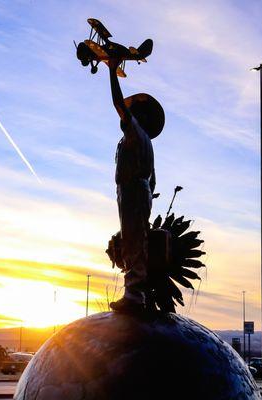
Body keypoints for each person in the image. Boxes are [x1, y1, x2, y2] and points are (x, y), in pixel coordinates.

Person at [108, 58, 164, 313]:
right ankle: (134, 290)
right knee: (133, 236)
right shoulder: (140, 139)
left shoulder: (136, 133)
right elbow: (153, 179)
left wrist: (111, 70)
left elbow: (118, 105)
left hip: (133, 189)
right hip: (133, 190)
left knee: (133, 238)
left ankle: (134, 293)